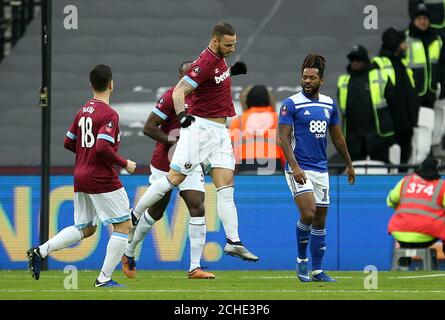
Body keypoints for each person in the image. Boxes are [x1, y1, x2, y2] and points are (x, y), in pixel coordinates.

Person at [129, 22, 259, 262]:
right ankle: (134, 215)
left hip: (220, 132)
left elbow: (214, 81)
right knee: (174, 179)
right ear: (215, 41)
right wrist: (181, 116)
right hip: (201, 131)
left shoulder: (218, 60)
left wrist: (231, 72)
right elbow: (179, 92)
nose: (232, 48)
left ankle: (233, 241)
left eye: (234, 44)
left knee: (226, 186)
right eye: (228, 44)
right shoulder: (204, 63)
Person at [26, 64, 136, 287]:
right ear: (111, 84)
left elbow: (68, 142)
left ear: (91, 84)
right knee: (124, 226)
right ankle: (103, 279)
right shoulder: (109, 114)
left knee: (86, 227)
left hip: (81, 174)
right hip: (100, 176)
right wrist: (125, 163)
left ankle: (41, 251)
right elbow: (103, 148)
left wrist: (85, 154)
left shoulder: (82, 110)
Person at [121, 61, 214, 280]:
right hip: (165, 162)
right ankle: (129, 252)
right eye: (186, 76)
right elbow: (148, 127)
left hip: (191, 163)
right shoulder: (171, 96)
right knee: (155, 212)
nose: (190, 81)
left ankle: (194, 267)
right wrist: (174, 141)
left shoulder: (203, 98)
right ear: (180, 78)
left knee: (197, 206)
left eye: (193, 75)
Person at [278, 54, 355, 282]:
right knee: (308, 213)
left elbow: (338, 138)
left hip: (321, 169)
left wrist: (349, 164)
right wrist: (295, 167)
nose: (307, 81)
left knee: (320, 221)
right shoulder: (291, 104)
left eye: (312, 77)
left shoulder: (329, 104)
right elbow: (283, 138)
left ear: (321, 80)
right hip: (298, 167)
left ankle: (318, 271)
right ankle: (302, 260)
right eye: (304, 77)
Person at [337, 45, 395, 163]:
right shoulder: (344, 81)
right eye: (352, 59)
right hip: (354, 136)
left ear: (365, 60)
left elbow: (393, 103)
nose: (355, 63)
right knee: (355, 172)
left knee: (380, 170)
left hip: (377, 134)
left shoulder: (380, 76)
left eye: (358, 59)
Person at [387, 156, 445, 268]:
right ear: (437, 170)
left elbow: (390, 201)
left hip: (400, 231)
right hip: (426, 234)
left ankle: (403, 263)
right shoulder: (441, 185)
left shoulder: (406, 181)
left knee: (405, 242)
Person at [374, 27, 420, 166]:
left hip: (406, 123)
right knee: (391, 163)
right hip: (391, 125)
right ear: (395, 44)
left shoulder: (402, 63)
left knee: (404, 162)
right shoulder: (380, 64)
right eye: (403, 43)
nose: (406, 45)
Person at [230, 84, 286, 173]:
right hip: (274, 163)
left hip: (245, 165)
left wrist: (235, 169)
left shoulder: (238, 122)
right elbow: (284, 146)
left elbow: (233, 148)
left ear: (247, 100)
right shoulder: (278, 120)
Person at [404, 3, 445, 109]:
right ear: (413, 20)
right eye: (419, 18)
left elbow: (442, 67)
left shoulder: (437, 40)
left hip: (432, 96)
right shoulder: (405, 39)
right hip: (411, 96)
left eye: (425, 18)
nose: (422, 21)